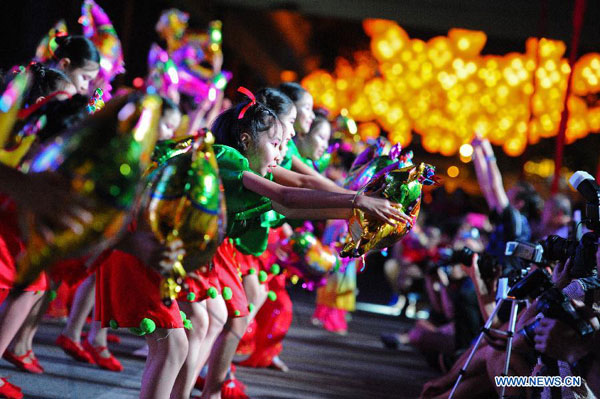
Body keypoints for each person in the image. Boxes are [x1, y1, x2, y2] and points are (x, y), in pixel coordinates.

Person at [197, 92, 410, 399]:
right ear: (250, 136)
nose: (297, 131)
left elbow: (297, 192)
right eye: (296, 119)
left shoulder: (257, 156)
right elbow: (289, 197)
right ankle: (214, 382)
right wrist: (356, 202)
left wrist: (358, 205)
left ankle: (214, 383)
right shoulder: (231, 158)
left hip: (230, 246)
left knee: (212, 326)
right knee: (198, 332)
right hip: (210, 249)